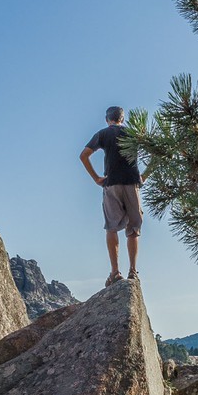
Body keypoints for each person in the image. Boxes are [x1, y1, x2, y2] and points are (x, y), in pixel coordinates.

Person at [80, 105, 145, 284]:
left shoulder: (103, 134)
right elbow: (158, 154)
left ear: (107, 119)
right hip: (132, 183)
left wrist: (96, 178)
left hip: (112, 184)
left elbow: (84, 156)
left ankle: (115, 272)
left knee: (111, 227)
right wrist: (144, 176)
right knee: (133, 228)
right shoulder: (134, 133)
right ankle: (133, 271)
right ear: (122, 119)